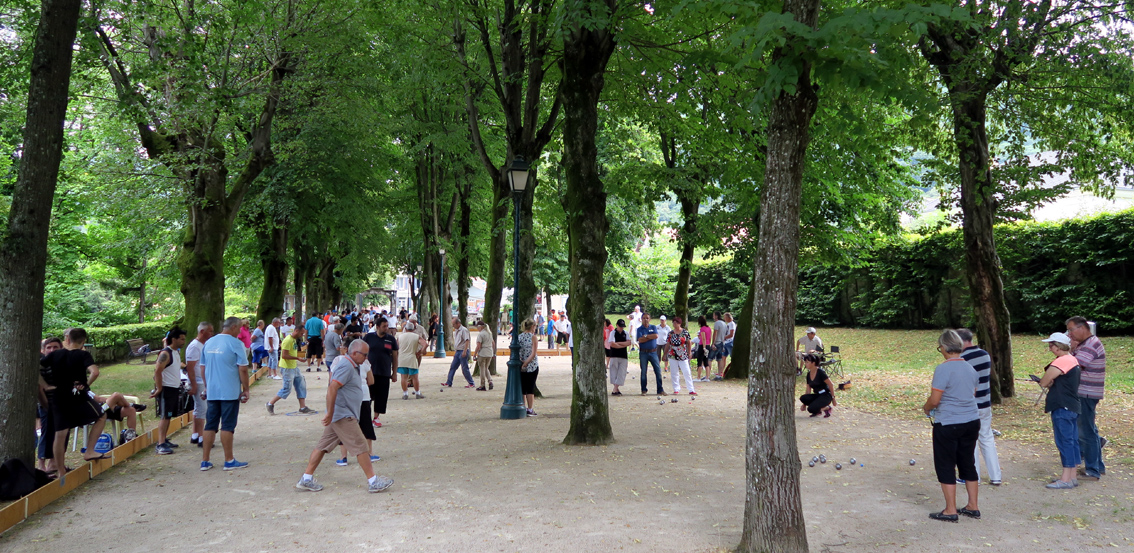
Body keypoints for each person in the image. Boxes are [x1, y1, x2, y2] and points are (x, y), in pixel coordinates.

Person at [295, 340, 394, 494]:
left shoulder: (354, 365)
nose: (367, 358)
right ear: (354, 353)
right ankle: (373, 481)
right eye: (365, 354)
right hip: (343, 414)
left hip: (340, 414)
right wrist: (330, 412)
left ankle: (306, 478)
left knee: (323, 446)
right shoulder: (346, 366)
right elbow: (332, 387)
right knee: (361, 445)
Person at [922, 329, 980, 523]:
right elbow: (971, 394)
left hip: (948, 423)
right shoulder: (971, 368)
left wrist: (926, 408)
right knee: (967, 461)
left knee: (946, 464)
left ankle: (950, 509)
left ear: (945, 348)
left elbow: (936, 399)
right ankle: (973, 506)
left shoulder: (943, 369)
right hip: (971, 421)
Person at [40, 328, 111, 476]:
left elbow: (35, 368)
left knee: (60, 434)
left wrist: (46, 386)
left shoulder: (55, 355)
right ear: (83, 342)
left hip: (59, 397)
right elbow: (95, 371)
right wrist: (86, 385)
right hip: (77, 396)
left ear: (67, 340)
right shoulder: (83, 354)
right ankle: (90, 451)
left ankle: (60, 470)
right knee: (101, 415)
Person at [199, 317, 252, 472]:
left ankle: (205, 460)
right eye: (240, 328)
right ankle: (229, 460)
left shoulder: (209, 342)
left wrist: (207, 386)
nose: (240, 331)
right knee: (227, 426)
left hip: (213, 391)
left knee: (210, 425)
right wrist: (246, 389)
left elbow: (202, 367)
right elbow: (242, 368)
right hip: (229, 391)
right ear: (234, 327)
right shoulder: (236, 343)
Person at [957, 328, 1001, 486]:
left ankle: (971, 476)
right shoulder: (984, 354)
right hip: (985, 403)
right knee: (987, 438)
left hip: (970, 405)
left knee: (969, 441)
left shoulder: (962, 358)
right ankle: (996, 475)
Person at [1038, 332, 1082, 489]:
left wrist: (1047, 381)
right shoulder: (1072, 359)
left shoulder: (1061, 362)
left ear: (1057, 347)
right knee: (1072, 441)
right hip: (1072, 405)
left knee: (1064, 442)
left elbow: (1044, 381)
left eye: (1051, 345)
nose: (1050, 348)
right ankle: (1072, 476)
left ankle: (1065, 479)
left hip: (1062, 405)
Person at [1066, 316, 1106, 481]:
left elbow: (1073, 365)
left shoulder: (1091, 344)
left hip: (1086, 393)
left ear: (1082, 328)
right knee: (1090, 429)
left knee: (1085, 432)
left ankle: (1092, 470)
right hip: (1085, 392)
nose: (1069, 334)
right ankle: (1097, 466)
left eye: (1071, 330)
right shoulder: (1085, 344)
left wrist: (1069, 350)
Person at [152, 328, 187, 455]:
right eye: (182, 339)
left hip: (174, 388)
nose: (184, 341)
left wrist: (186, 367)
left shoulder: (175, 352)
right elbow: (157, 371)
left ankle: (164, 439)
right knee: (164, 416)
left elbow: (177, 364)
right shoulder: (165, 353)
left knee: (169, 416)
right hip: (166, 389)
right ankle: (160, 444)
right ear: (174, 339)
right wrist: (159, 388)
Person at [267, 326, 312, 415]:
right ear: (296, 330)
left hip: (294, 367)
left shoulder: (294, 340)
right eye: (301, 333)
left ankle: (302, 407)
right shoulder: (288, 340)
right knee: (286, 389)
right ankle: (270, 403)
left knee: (301, 384)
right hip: (287, 368)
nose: (302, 335)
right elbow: (284, 355)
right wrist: (298, 358)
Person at [362, 318, 398, 428]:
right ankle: (365, 417)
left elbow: (395, 357)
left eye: (387, 326)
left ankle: (376, 417)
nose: (386, 328)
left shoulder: (391, 339)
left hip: (384, 372)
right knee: (368, 395)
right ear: (377, 327)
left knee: (381, 396)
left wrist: (394, 372)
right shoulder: (369, 337)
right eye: (384, 326)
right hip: (370, 372)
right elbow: (362, 352)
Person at [186, 322, 213, 446]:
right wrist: (194, 385)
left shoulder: (204, 344)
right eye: (210, 331)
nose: (212, 334)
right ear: (202, 331)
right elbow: (190, 368)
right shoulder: (194, 347)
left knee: (199, 408)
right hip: (198, 381)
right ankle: (203, 437)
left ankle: (195, 434)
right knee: (203, 409)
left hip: (203, 380)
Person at [636, 313, 666, 396]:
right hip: (643, 352)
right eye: (644, 318)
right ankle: (644, 390)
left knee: (658, 370)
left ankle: (660, 390)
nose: (646, 319)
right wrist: (649, 337)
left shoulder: (653, 327)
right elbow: (640, 340)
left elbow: (656, 336)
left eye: (647, 318)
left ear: (650, 319)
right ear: (641, 319)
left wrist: (645, 336)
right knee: (643, 372)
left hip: (653, 352)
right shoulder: (639, 329)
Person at [396, 322, 428, 399]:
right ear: (413, 329)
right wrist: (421, 351)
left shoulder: (400, 337)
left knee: (404, 377)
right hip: (412, 358)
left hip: (402, 358)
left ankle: (405, 394)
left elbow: (396, 348)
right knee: (415, 377)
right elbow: (425, 344)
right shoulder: (416, 336)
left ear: (405, 328)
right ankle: (417, 393)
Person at [666, 317, 696, 395]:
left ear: (680, 323)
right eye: (673, 322)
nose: (674, 324)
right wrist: (665, 353)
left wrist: (689, 352)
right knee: (674, 372)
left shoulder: (685, 332)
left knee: (686, 371)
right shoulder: (671, 333)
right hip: (672, 354)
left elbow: (689, 342)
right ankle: (676, 388)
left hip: (683, 354)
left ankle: (691, 389)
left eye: (676, 322)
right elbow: (668, 343)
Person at [443, 317, 475, 388]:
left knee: (464, 368)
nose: (453, 326)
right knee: (453, 367)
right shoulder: (456, 330)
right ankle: (449, 382)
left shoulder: (464, 330)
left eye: (454, 324)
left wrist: (465, 351)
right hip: (457, 351)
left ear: (458, 323)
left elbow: (467, 341)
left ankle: (471, 382)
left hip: (462, 350)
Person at [518, 319, 540, 416]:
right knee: (530, 388)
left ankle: (522, 406)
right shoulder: (533, 337)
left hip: (521, 364)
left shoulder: (519, 337)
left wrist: (522, 362)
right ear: (532, 327)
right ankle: (530, 409)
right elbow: (533, 353)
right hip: (532, 365)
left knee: (523, 388)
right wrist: (527, 362)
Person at [605, 319, 631, 396]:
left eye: (622, 327)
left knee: (622, 373)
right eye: (620, 326)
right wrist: (623, 344)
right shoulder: (613, 333)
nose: (621, 328)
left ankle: (615, 389)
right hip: (614, 355)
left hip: (623, 355)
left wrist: (618, 344)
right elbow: (612, 344)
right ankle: (616, 389)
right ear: (617, 325)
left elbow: (629, 342)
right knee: (614, 372)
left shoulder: (625, 333)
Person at [473, 320, 496, 391]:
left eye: (477, 327)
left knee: (482, 369)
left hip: (483, 353)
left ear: (480, 327)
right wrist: (493, 352)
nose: (477, 329)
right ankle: (490, 381)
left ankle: (482, 384)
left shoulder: (481, 334)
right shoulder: (489, 333)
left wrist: (474, 354)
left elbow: (478, 346)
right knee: (486, 368)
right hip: (489, 352)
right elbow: (493, 344)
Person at [711, 311, 728, 379]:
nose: (713, 317)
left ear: (716, 316)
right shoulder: (724, 323)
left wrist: (713, 343)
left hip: (717, 342)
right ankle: (720, 373)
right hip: (722, 342)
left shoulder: (717, 323)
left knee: (709, 358)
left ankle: (707, 375)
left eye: (714, 315)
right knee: (720, 358)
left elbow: (715, 333)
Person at [694, 316, 711, 381]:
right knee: (706, 361)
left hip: (702, 346)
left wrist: (704, 347)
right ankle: (707, 377)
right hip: (708, 345)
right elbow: (709, 337)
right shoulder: (709, 328)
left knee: (700, 361)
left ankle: (698, 377)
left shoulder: (702, 329)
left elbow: (703, 338)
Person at [720, 312, 736, 380]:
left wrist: (724, 337)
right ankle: (721, 371)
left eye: (725, 317)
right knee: (723, 357)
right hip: (725, 343)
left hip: (729, 342)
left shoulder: (732, 324)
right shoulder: (728, 324)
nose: (724, 319)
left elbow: (731, 334)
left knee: (732, 356)